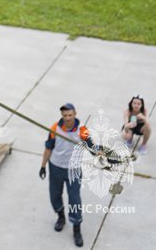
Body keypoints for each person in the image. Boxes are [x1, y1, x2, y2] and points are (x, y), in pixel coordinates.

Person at [40, 103, 93, 248]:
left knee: (74, 199)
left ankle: (76, 228)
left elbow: (92, 146)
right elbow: (48, 148)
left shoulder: (82, 130)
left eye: (70, 115)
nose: (68, 118)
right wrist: (43, 166)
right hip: (56, 167)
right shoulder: (55, 128)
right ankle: (61, 217)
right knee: (54, 195)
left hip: (73, 169)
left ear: (75, 114)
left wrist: (101, 153)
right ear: (62, 115)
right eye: (65, 115)